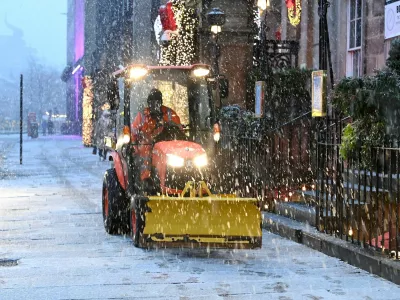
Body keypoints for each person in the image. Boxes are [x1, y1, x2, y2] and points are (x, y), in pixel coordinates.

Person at [131, 88, 181, 186]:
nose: (154, 105)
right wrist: (134, 147)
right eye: (152, 102)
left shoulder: (169, 114)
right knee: (145, 155)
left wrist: (170, 126)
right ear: (148, 103)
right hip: (147, 146)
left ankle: (178, 182)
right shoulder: (142, 116)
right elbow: (133, 133)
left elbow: (179, 131)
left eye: (157, 102)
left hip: (167, 146)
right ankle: (145, 182)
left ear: (161, 102)